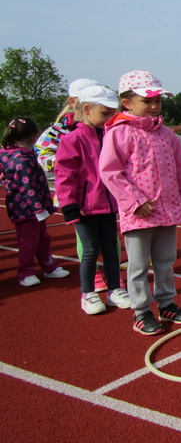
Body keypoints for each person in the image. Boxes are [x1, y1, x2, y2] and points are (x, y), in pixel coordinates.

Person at [99, 71, 181, 336]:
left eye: (158, 101)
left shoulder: (165, 134)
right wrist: (134, 202)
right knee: (139, 264)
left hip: (168, 209)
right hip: (139, 213)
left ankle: (166, 303)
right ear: (127, 103)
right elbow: (110, 172)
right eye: (147, 101)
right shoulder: (119, 133)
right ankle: (141, 310)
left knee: (166, 260)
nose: (154, 106)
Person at [54, 86, 130, 315]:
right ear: (87, 109)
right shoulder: (72, 139)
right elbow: (64, 174)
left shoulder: (109, 136)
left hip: (108, 204)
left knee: (111, 248)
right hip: (85, 207)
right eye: (105, 113)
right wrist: (69, 205)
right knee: (89, 250)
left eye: (112, 114)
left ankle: (115, 289)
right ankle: (88, 293)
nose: (109, 118)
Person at [35, 77, 114, 294]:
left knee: (110, 241)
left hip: (103, 193)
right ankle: (93, 275)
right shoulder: (58, 131)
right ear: (75, 102)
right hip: (76, 193)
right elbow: (41, 154)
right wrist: (68, 162)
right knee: (87, 242)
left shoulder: (104, 127)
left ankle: (114, 279)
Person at [0, 117, 70, 287]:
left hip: (30, 207)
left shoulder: (19, 155)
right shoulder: (22, 158)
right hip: (26, 209)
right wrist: (38, 208)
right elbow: (27, 186)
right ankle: (26, 272)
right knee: (28, 242)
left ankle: (49, 266)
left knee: (42, 238)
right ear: (34, 136)